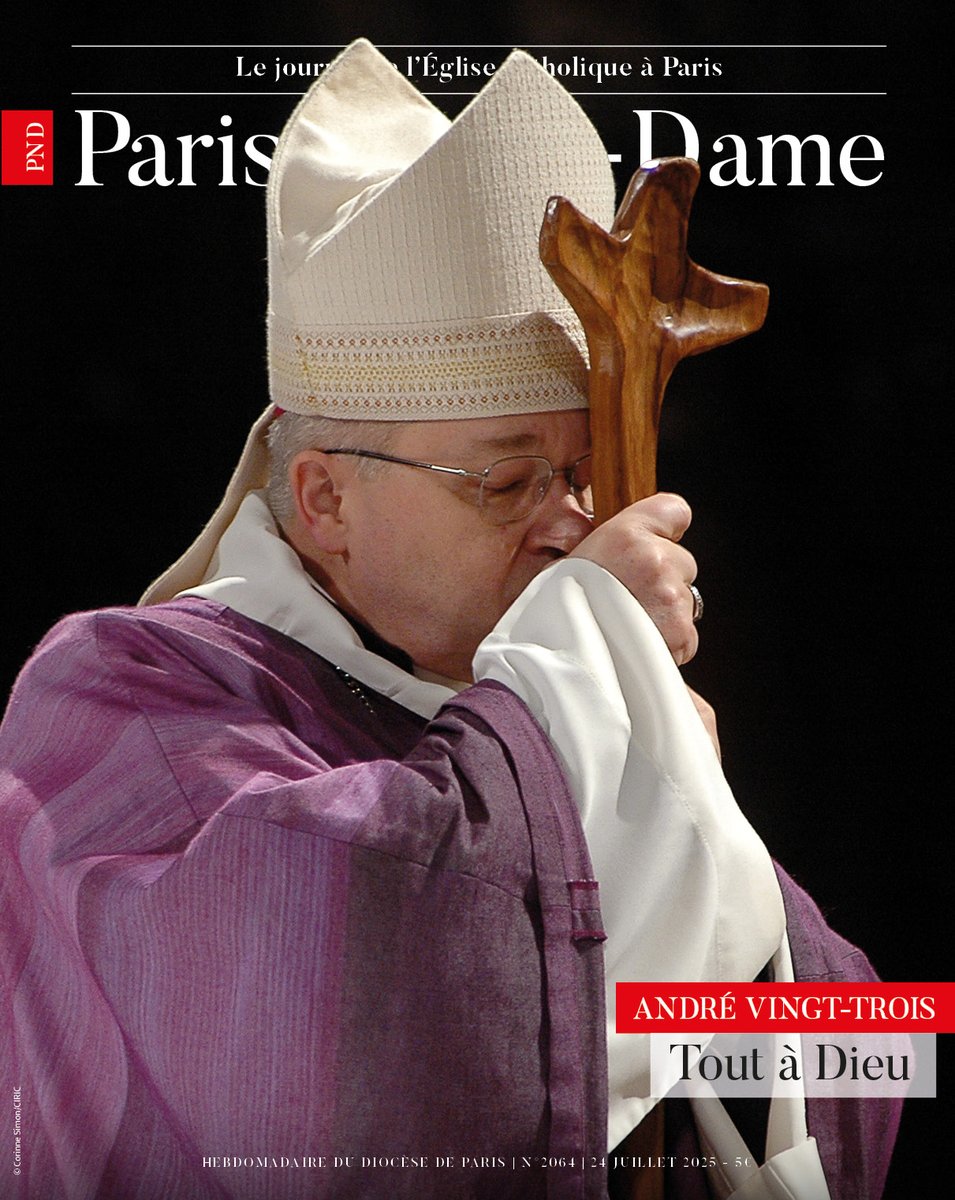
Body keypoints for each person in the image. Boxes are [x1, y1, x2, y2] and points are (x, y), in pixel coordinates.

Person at [1, 40, 901, 1200]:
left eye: (580, 477)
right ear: (324, 496)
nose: (572, 526)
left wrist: (688, 815)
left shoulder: (574, 717)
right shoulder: (126, 692)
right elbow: (342, 1064)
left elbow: (882, 1064)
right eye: (508, 478)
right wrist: (587, 678)